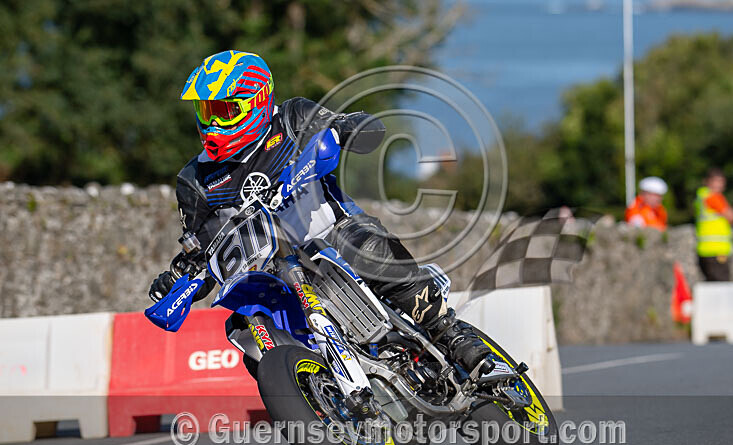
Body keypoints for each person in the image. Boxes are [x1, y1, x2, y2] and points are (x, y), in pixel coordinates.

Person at [148, 50, 494, 375]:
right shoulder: (194, 180)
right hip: (270, 274)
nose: (213, 123)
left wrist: (348, 128)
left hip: (332, 233)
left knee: (365, 248)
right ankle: (317, 398)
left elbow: (340, 125)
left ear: (256, 101)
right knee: (243, 327)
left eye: (224, 111)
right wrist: (177, 279)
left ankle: (449, 333)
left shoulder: (293, 118)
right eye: (207, 112)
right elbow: (201, 250)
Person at [695, 168, 733, 282]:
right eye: (715, 181)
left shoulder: (702, 196)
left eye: (721, 181)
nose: (718, 185)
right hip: (715, 250)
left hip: (707, 250)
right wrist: (732, 212)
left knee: (712, 285)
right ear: (707, 182)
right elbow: (731, 216)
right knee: (720, 287)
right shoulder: (712, 197)